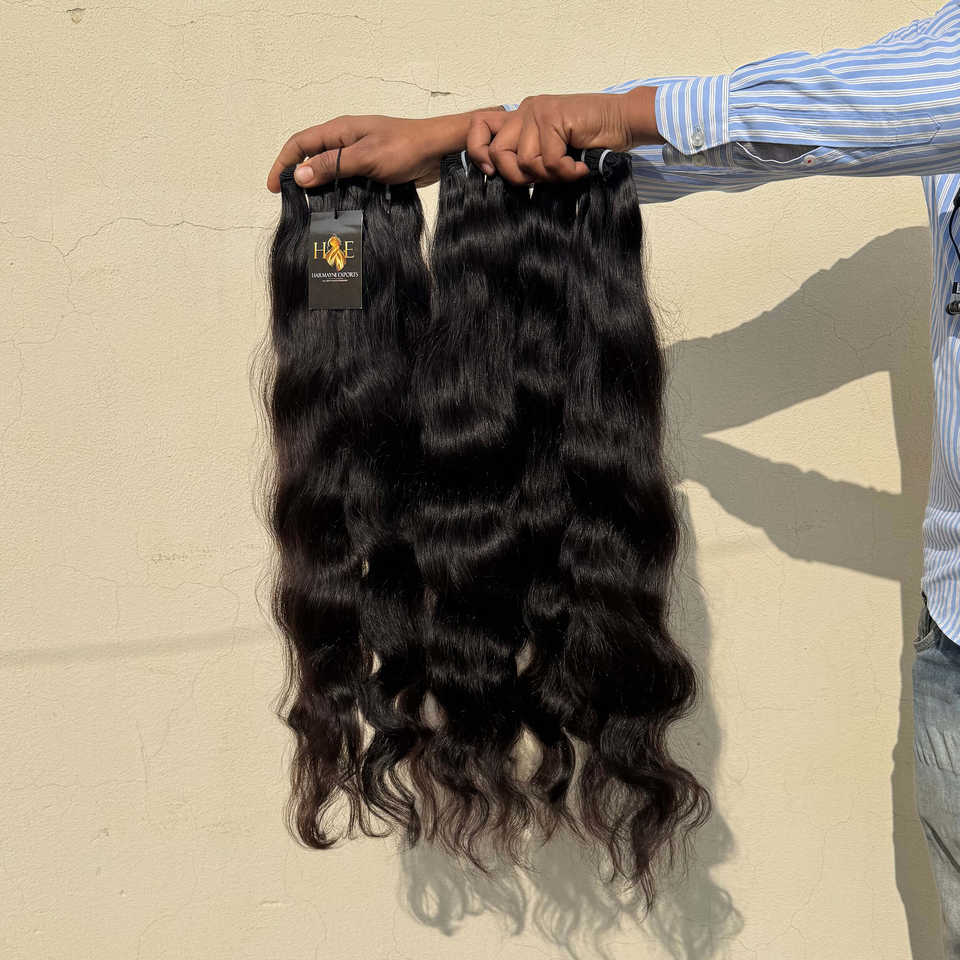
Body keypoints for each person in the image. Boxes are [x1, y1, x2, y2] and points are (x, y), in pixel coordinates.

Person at [266, 1, 960, 952]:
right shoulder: (941, 33)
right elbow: (783, 133)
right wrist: (466, 142)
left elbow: (873, 108)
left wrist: (600, 117)